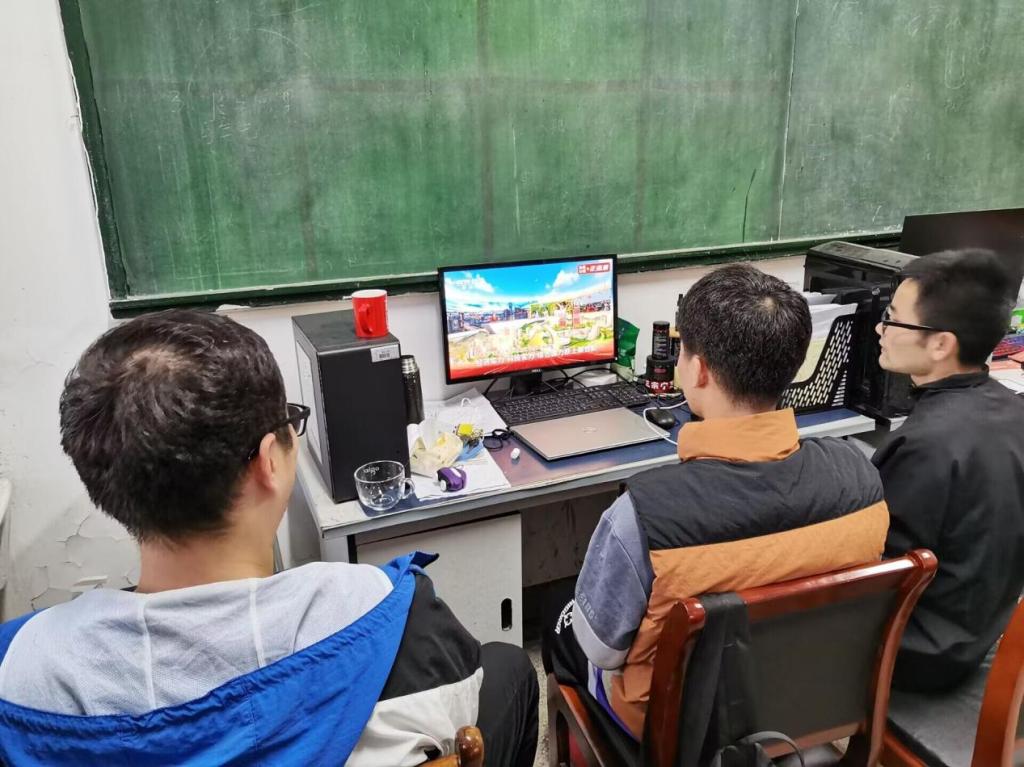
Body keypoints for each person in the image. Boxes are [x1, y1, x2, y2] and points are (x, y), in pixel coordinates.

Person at [0, 310, 538, 767]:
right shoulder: (394, 616)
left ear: (99, 477)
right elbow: (456, 724)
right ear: (268, 463)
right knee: (509, 666)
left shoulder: (23, 673)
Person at [543, 264, 890, 739]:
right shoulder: (861, 476)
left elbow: (601, 649)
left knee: (560, 618)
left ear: (698, 369)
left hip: (677, 729)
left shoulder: (643, 514)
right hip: (801, 704)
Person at [873, 249, 1024, 692]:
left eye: (892, 319)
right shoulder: (1013, 410)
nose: (880, 329)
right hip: (981, 631)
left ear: (941, 344)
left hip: (918, 653)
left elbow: (878, 571)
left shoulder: (924, 445)